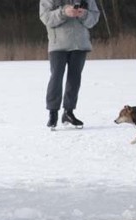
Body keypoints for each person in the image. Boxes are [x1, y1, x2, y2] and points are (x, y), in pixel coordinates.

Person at [40, 0, 100, 128]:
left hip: (80, 45)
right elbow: (46, 17)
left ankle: (68, 111)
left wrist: (83, 14)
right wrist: (63, 12)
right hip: (58, 45)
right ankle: (53, 113)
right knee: (56, 77)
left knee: (74, 79)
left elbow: (94, 18)